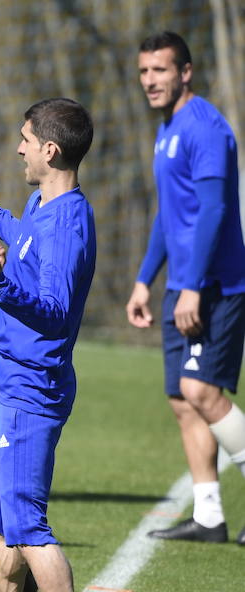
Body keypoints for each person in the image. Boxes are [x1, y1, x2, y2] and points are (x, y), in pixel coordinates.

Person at [0, 98, 95, 592]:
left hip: (32, 389)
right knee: (6, 527)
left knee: (29, 529)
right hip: (11, 381)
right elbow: (27, 243)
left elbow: (54, 313)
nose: (19, 149)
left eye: (26, 140)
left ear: (50, 150)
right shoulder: (42, 206)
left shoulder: (67, 228)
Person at [126, 31, 245, 546]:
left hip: (217, 285)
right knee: (182, 399)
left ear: (186, 72)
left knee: (202, 390)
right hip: (182, 284)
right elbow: (169, 214)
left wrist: (193, 287)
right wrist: (142, 281)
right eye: (145, 72)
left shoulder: (205, 128)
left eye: (160, 71)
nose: (150, 81)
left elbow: (216, 211)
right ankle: (210, 517)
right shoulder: (166, 128)